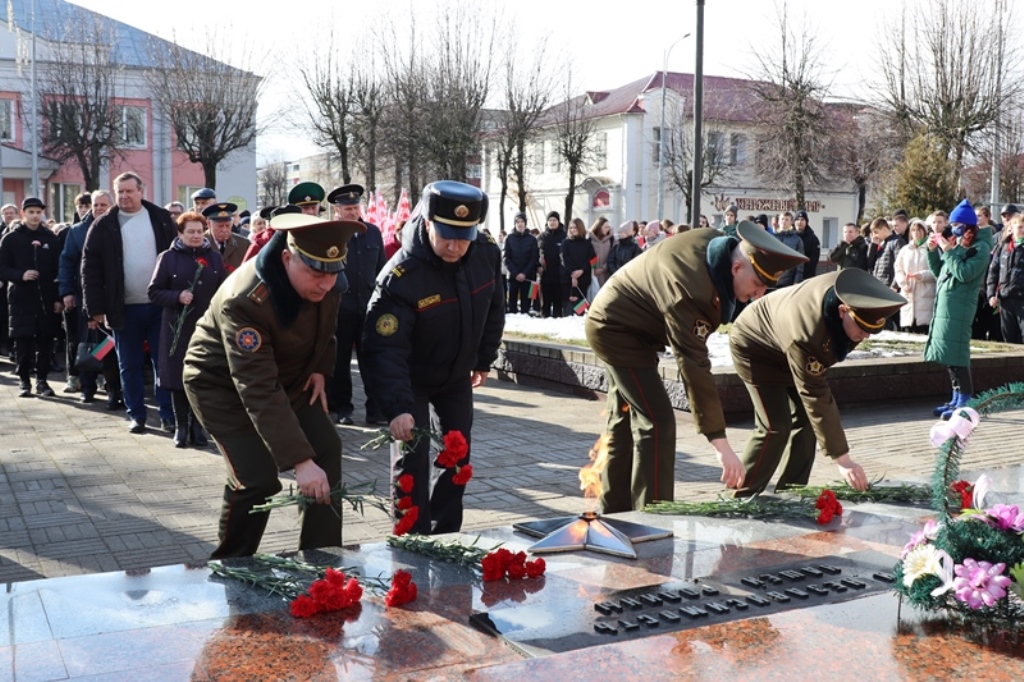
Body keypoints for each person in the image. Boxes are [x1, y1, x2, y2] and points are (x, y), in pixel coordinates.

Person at [584, 221, 808, 512]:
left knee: (624, 421)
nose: (759, 295)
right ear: (737, 268)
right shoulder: (693, 291)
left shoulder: (718, 247)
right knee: (658, 421)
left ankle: (615, 511)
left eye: (766, 287)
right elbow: (694, 367)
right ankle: (654, 517)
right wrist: (721, 445)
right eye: (757, 284)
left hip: (626, 322)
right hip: (617, 330)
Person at [183, 213, 365, 558]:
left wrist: (320, 370)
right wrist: (299, 462)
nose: (326, 285)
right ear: (286, 258)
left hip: (290, 377)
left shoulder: (326, 279)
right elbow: (256, 386)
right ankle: (232, 565)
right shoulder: (246, 299)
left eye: (332, 274)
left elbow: (327, 329)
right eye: (315, 274)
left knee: (327, 449)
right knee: (257, 480)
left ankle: (321, 557)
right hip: (222, 388)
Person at [362, 181, 504, 535]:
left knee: (457, 457)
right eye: (446, 236)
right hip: (411, 380)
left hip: (455, 377)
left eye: (463, 236)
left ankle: (445, 536)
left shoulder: (485, 253)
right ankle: (412, 540)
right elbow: (383, 348)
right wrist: (396, 406)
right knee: (412, 462)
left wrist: (484, 359)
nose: (455, 246)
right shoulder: (401, 276)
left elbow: (494, 307)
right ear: (427, 223)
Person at [729, 268, 905, 497]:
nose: (866, 337)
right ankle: (740, 496)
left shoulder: (852, 291)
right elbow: (815, 394)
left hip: (784, 344)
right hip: (755, 346)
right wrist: (843, 460)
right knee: (775, 426)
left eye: (872, 331)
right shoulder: (808, 333)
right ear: (843, 311)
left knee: (807, 423)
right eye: (862, 329)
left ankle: (790, 494)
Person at [82, 172, 177, 433]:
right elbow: (90, 268)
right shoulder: (103, 225)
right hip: (122, 308)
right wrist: (95, 308)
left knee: (163, 364)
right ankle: (137, 414)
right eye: (119, 191)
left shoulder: (159, 218)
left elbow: (175, 258)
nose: (124, 196)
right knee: (129, 365)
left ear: (141, 190)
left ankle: (168, 414)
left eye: (129, 191)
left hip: (160, 306)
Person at [148, 212, 227, 447]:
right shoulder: (168, 258)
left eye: (199, 231)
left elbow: (224, 290)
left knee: (203, 377)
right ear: (180, 233)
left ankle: (198, 426)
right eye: (190, 231)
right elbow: (154, 291)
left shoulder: (214, 258)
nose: (195, 235)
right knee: (178, 376)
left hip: (206, 328)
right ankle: (181, 426)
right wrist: (177, 296)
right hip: (177, 327)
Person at [925, 199, 994, 419]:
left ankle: (966, 399)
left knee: (958, 352)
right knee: (948, 353)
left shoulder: (980, 247)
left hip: (960, 306)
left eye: (957, 224)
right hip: (947, 304)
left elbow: (965, 273)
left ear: (968, 226)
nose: (953, 228)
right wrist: (932, 252)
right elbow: (941, 273)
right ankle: (956, 397)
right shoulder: (960, 245)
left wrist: (948, 251)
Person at [325, 183, 386, 426]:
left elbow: (381, 269)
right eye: (347, 208)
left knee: (372, 361)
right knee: (340, 363)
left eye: (355, 207)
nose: (352, 212)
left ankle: (376, 410)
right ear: (337, 210)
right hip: (341, 308)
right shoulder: (332, 234)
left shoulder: (373, 232)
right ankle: (343, 407)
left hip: (368, 308)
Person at [59, 190, 122, 406]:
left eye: (104, 205)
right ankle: (87, 387)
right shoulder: (76, 231)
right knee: (88, 343)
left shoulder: (120, 226)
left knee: (110, 346)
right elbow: (67, 262)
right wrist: (67, 291)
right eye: (96, 205)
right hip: (86, 296)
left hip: (115, 298)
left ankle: (113, 388)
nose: (99, 209)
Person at [0, 197, 63, 397]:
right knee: (23, 342)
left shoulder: (51, 238)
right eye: (31, 212)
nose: (35, 216)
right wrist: (20, 275)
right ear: (23, 213)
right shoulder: (11, 238)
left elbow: (58, 270)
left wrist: (58, 298)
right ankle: (24, 381)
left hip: (46, 299)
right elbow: (2, 268)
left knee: (45, 342)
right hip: (21, 299)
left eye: (38, 212)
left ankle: (42, 381)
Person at [987, 213, 1024, 344]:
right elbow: (993, 272)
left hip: (1022, 299)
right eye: (1019, 227)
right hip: (1006, 299)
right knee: (1009, 338)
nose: (1022, 230)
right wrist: (991, 294)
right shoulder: (1003, 247)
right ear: (1012, 228)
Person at [894, 219, 936, 333]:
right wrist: (903, 284)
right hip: (908, 291)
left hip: (925, 292)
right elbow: (898, 268)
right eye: (913, 230)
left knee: (922, 327)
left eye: (919, 230)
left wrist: (922, 275)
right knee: (907, 328)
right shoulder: (905, 250)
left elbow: (937, 270)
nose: (916, 233)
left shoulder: (931, 248)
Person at [502, 211, 539, 315]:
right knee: (512, 303)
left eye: (522, 221)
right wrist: (516, 273)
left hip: (528, 276)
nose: (520, 224)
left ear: (525, 223)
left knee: (526, 305)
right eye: (517, 221)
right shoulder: (508, 238)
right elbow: (505, 257)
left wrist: (524, 273)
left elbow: (534, 258)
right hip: (513, 276)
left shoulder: (532, 239)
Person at [561, 217, 596, 315]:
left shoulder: (587, 244)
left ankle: (579, 319)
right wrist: (573, 275)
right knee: (568, 307)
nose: (573, 230)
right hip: (568, 279)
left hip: (583, 278)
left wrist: (581, 270)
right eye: (571, 228)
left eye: (575, 227)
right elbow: (564, 259)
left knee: (580, 309)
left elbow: (591, 259)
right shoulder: (565, 243)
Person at [203, 203, 249, 272]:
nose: (224, 230)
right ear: (209, 224)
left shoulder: (244, 244)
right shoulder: (200, 242)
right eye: (220, 226)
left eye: (228, 225)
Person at [537, 211, 566, 317]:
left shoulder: (564, 236)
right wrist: (538, 266)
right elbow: (535, 254)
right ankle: (545, 318)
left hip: (559, 275)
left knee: (558, 303)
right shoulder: (541, 237)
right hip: (545, 275)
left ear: (559, 221)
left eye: (554, 220)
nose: (552, 222)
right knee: (545, 302)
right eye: (550, 220)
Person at [773, 212, 806, 288]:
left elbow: (800, 262)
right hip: (771, 280)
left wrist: (797, 281)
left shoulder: (797, 240)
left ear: (791, 222)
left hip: (788, 281)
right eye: (782, 219)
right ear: (778, 221)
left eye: (787, 219)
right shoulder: (771, 237)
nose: (784, 221)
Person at [793, 210, 820, 279]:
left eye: (802, 220)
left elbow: (813, 260)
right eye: (797, 219)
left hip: (806, 276)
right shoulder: (790, 236)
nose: (800, 222)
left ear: (806, 222)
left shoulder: (813, 239)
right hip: (790, 276)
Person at [589, 217, 613, 289]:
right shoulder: (590, 239)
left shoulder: (612, 239)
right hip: (593, 275)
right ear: (599, 227)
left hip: (607, 274)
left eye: (608, 227)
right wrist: (593, 270)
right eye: (605, 227)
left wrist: (603, 268)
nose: (607, 229)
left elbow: (613, 256)